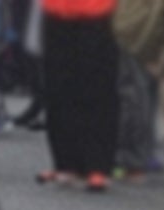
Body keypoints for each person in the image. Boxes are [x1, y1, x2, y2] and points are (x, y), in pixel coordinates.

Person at [37, 0, 121, 188]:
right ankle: (65, 162)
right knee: (58, 85)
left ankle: (98, 164)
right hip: (56, 10)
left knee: (98, 87)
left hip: (98, 11)